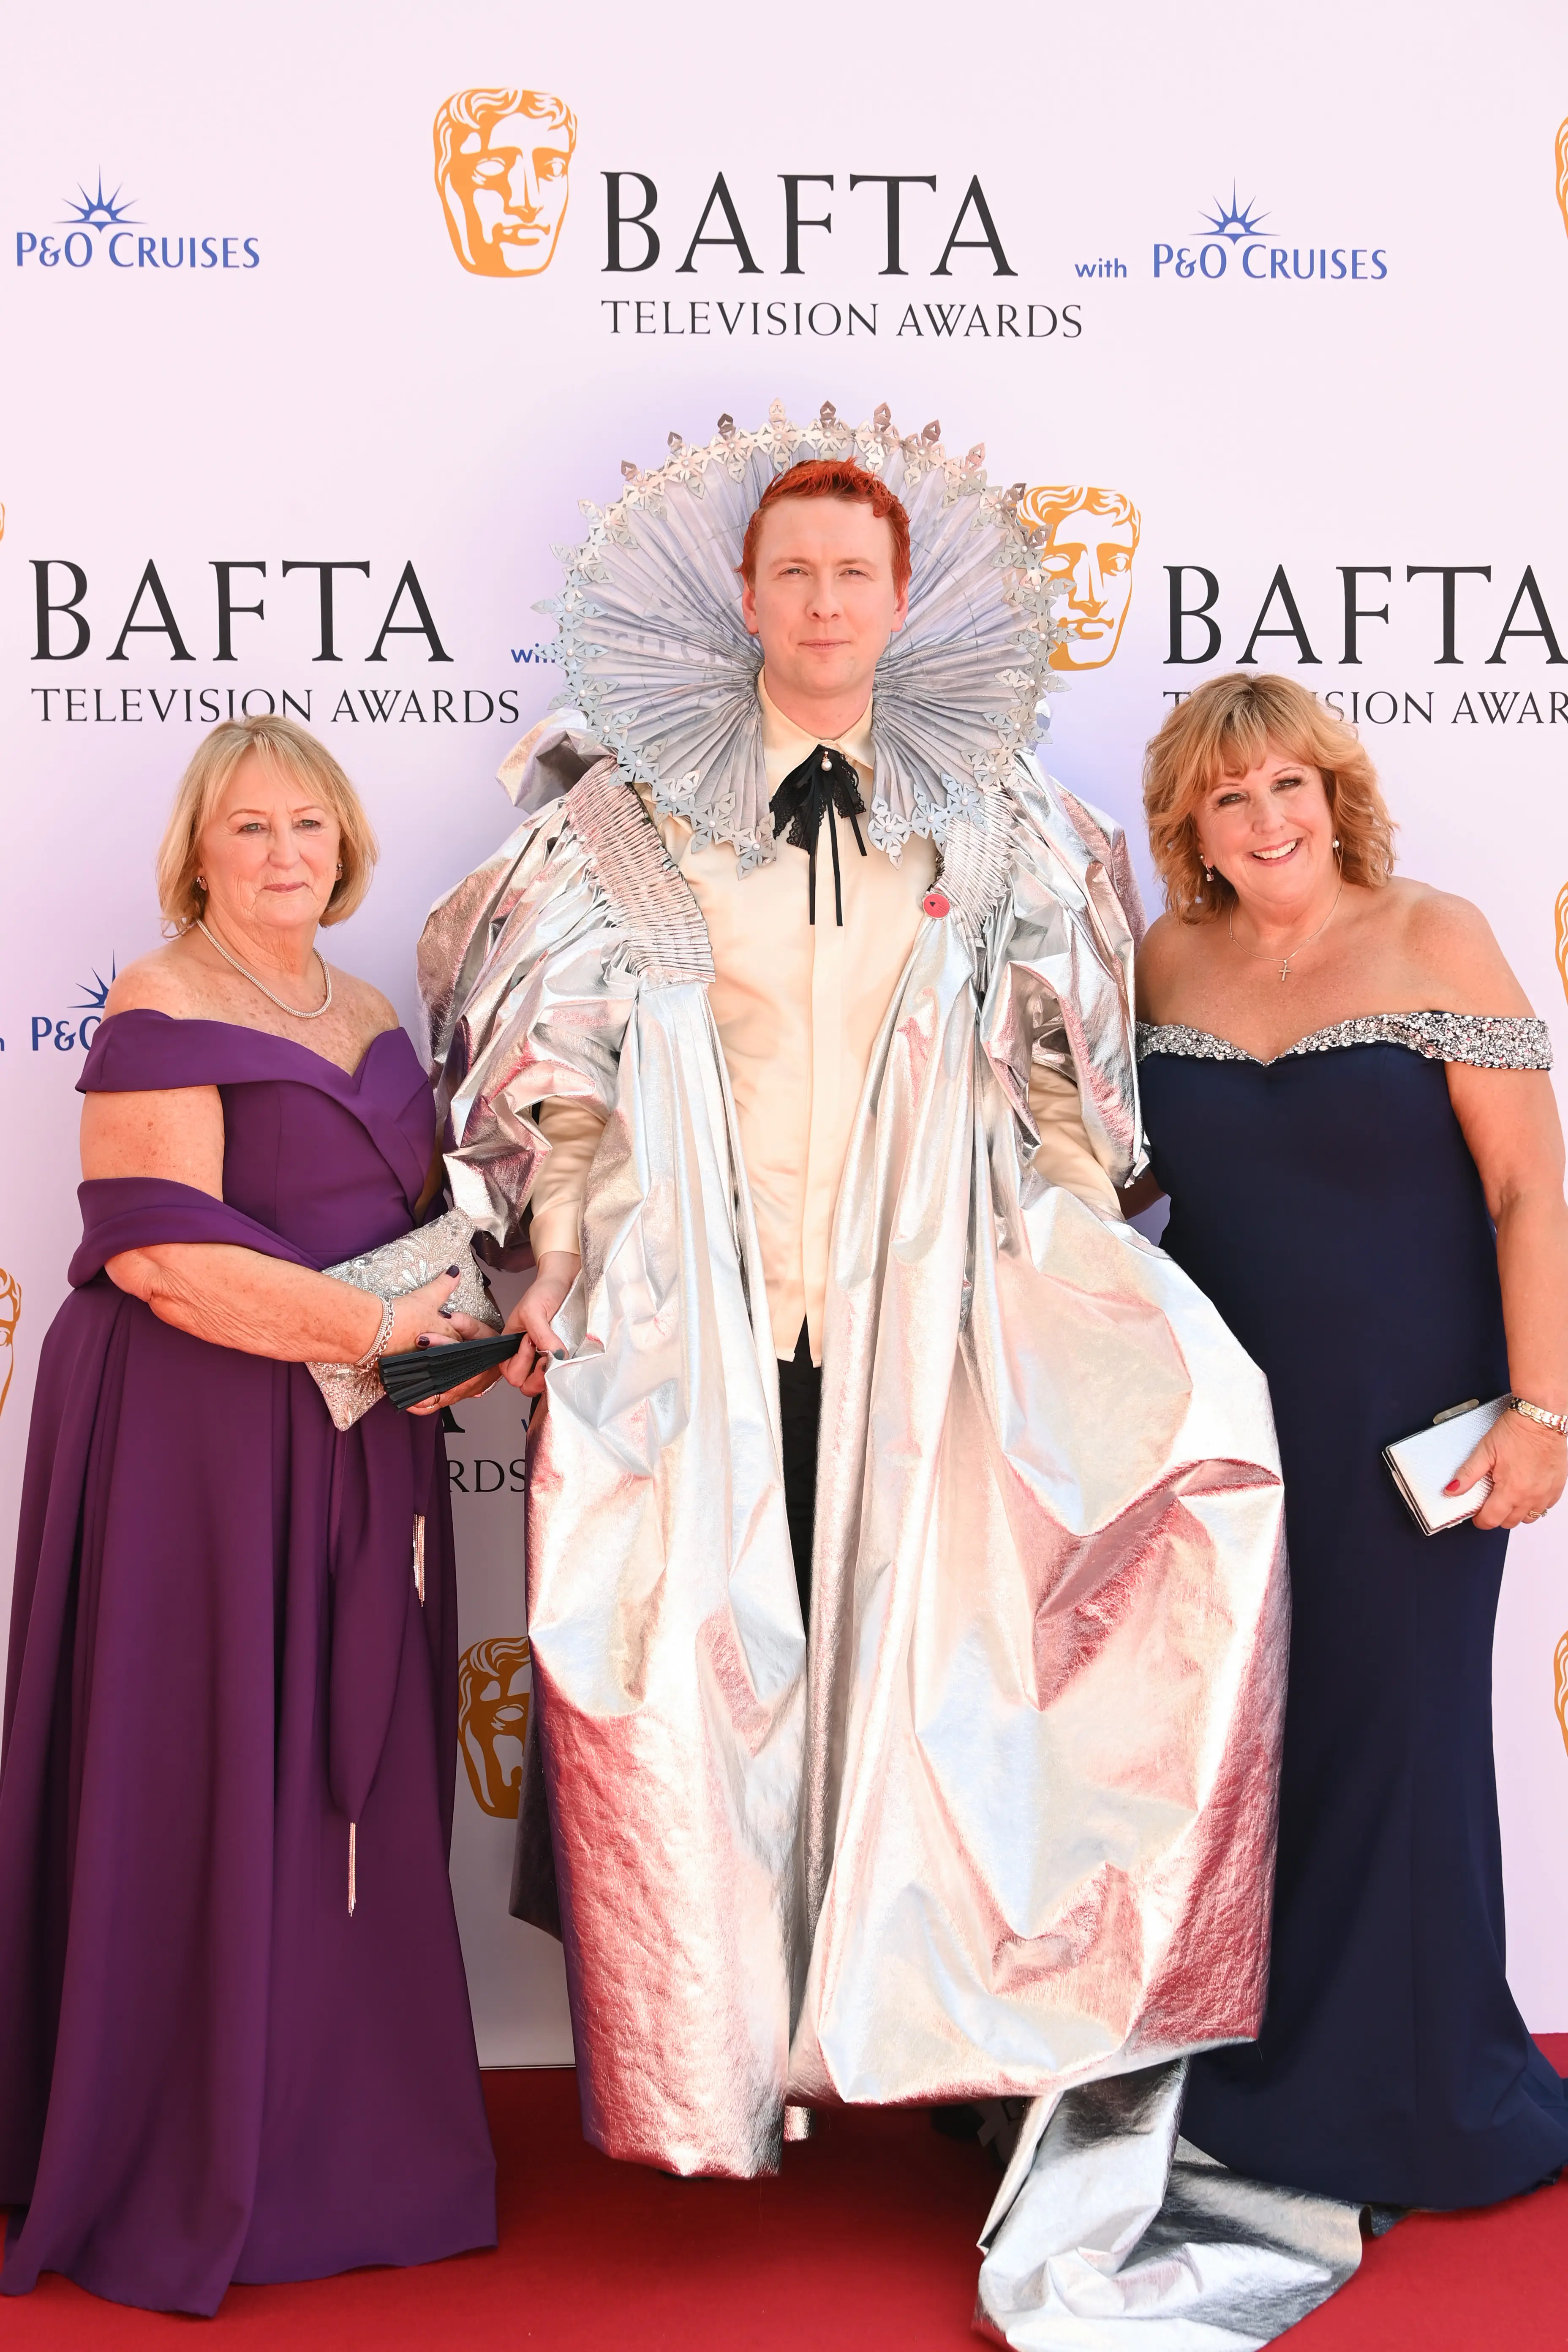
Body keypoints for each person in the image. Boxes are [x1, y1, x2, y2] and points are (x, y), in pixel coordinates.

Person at [419, 403, 1295, 2265]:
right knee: (716, 1675)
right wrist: (566, 1234)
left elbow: (1071, 1084)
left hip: (935, 1316)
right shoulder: (617, 816)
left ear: (904, 604)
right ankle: (733, 2050)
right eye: (794, 568)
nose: (824, 598)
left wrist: (1069, 1263)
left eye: (855, 572)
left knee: (942, 1675)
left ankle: (949, 2035)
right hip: (709, 1324)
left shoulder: (1008, 819)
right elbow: (542, 1059)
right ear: (744, 596)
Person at [0, 716, 498, 2315]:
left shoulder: (366, 1005)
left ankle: (352, 2146)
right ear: (196, 855)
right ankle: (176, 2146)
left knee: (343, 1775)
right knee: (205, 1761)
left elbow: (426, 1230)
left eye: (309, 827)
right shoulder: (159, 1002)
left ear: (346, 843)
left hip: (356, 1431)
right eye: (249, 831)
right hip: (193, 1444)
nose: (286, 855)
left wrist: (487, 1321)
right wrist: (380, 1340)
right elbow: (157, 1254)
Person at [1134, 669, 1568, 2211]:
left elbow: (1530, 1190)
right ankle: (1272, 2071)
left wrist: (1545, 1408)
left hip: (1419, 1426)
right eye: (1230, 794)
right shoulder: (1163, 960)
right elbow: (1111, 1187)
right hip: (1234, 1433)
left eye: (1290, 787)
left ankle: (1429, 2091)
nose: (1265, 818)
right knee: (1276, 1752)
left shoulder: (1434, 934)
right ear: (1190, 817)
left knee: (1407, 1744)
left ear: (1335, 794)